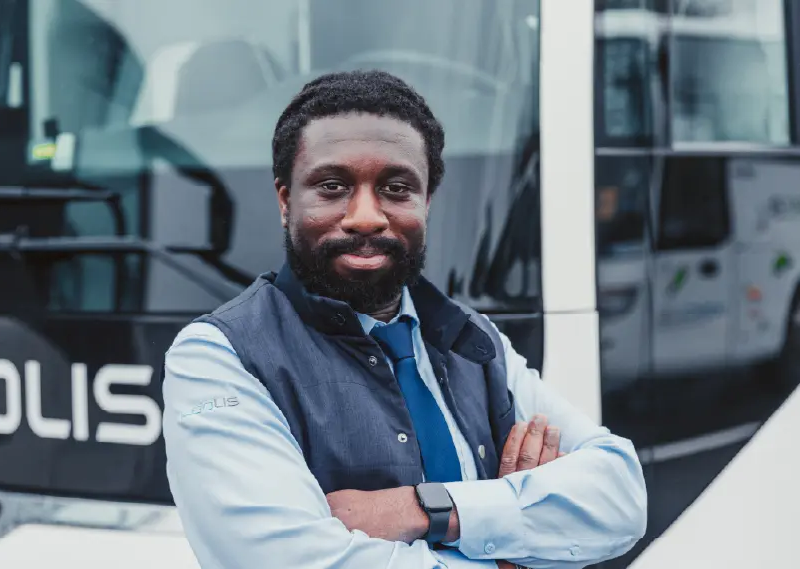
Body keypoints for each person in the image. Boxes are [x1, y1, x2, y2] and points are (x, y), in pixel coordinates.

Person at [162, 70, 647, 569]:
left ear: (426, 201)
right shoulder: (218, 356)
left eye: (396, 188)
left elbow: (621, 498)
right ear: (286, 200)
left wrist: (426, 510)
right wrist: (515, 535)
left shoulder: (473, 340)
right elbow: (286, 560)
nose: (366, 217)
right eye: (332, 187)